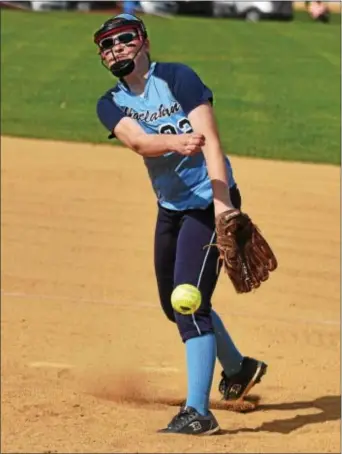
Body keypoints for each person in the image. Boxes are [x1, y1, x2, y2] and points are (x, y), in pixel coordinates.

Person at [94, 13, 267, 435]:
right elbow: (138, 142)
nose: (116, 48)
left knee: (191, 304)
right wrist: (174, 141)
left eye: (124, 39)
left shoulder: (177, 78)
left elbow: (211, 140)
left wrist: (224, 205)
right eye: (106, 44)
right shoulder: (110, 102)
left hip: (209, 201)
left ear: (144, 41)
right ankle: (239, 368)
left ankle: (198, 413)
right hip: (171, 208)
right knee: (173, 304)